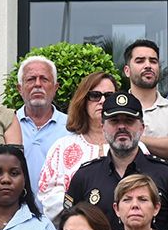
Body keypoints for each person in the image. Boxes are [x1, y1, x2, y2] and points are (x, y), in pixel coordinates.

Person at [65, 91, 168, 230]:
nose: (121, 127)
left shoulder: (167, 175)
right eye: (114, 121)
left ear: (142, 127)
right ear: (103, 127)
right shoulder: (84, 176)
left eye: (129, 121)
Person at [35, 72, 122, 218]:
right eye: (95, 95)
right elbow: (46, 195)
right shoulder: (62, 147)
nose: (102, 101)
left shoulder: (131, 145)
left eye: (108, 96)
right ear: (83, 100)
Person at [121, 39, 168, 162]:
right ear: (127, 70)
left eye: (153, 61)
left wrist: (131, 138)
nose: (148, 65)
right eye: (140, 61)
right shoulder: (115, 109)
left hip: (164, 180)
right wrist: (163, 145)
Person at [5, 55, 69, 171]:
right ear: (20, 89)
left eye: (44, 79)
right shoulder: (8, 125)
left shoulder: (71, 126)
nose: (38, 84)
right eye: (31, 79)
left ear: (55, 88)